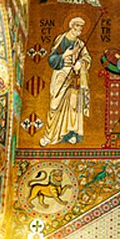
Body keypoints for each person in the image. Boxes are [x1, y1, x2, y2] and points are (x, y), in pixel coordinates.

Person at [40, 16, 91, 145]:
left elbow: (87, 58)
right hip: (61, 73)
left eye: (81, 27)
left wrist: (81, 63)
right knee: (55, 102)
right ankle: (49, 135)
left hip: (75, 75)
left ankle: (71, 133)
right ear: (71, 26)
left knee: (74, 104)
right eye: (77, 26)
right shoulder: (61, 39)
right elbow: (52, 59)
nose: (79, 29)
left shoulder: (80, 44)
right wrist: (65, 55)